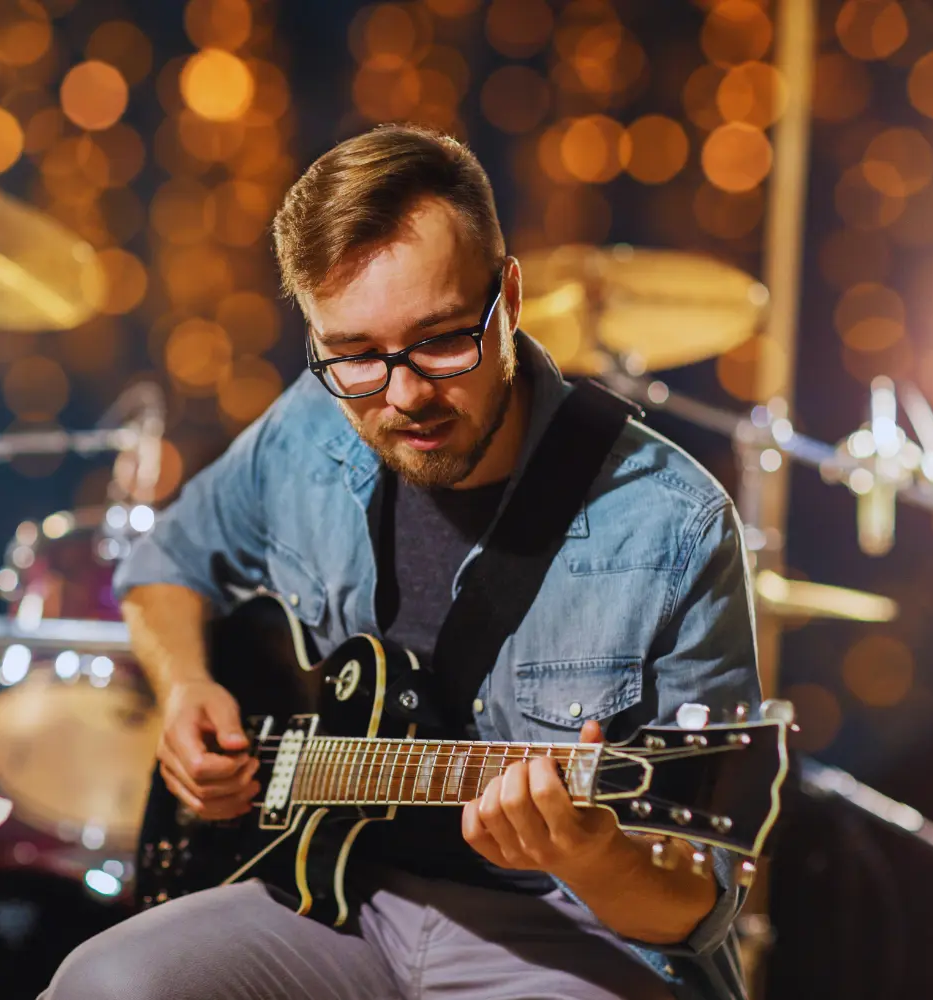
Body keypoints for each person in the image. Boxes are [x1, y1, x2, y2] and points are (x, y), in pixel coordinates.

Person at [40, 124, 760, 1000]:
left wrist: (591, 855)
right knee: (100, 981)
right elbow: (165, 563)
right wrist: (185, 686)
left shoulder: (673, 522)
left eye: (444, 339)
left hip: (566, 931)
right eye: (354, 356)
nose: (406, 393)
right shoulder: (310, 423)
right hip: (336, 899)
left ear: (512, 298)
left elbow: (695, 905)